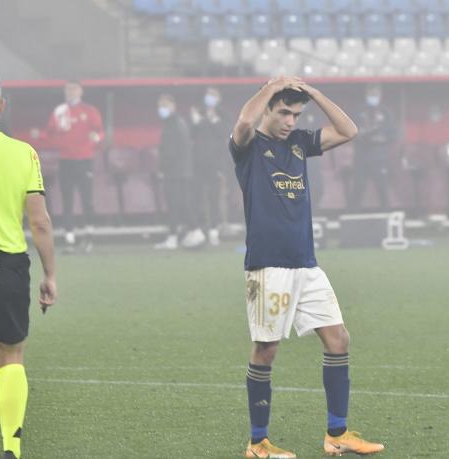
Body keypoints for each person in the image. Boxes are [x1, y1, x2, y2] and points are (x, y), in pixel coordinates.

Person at [230, 76, 384, 458]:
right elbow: (245, 123)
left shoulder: (299, 143)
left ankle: (337, 434)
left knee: (338, 339)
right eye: (283, 112)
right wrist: (272, 85)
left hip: (306, 263)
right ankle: (257, 442)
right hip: (269, 265)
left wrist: (313, 93)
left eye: (296, 114)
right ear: (268, 108)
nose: (290, 121)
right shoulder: (249, 147)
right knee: (266, 349)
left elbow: (349, 130)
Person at [0, 69, 57, 459]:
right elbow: (39, 221)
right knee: (10, 355)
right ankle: (11, 448)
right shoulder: (24, 152)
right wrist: (50, 275)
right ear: (1, 105)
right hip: (8, 262)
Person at [37, 81, 103, 252]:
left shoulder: (89, 111)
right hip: (66, 160)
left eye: (73, 89)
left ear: (81, 91)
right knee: (67, 200)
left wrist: (97, 137)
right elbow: (49, 132)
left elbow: (100, 131)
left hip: (84, 160)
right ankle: (69, 240)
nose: (70, 92)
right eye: (67, 89)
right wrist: (39, 135)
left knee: (87, 199)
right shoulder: (59, 111)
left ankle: (89, 237)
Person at [185, 87, 231, 248]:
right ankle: (199, 230)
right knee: (197, 198)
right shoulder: (199, 112)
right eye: (207, 95)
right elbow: (191, 135)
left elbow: (225, 132)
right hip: (198, 162)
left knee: (214, 198)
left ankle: (214, 232)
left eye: (213, 96)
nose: (209, 98)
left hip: (216, 163)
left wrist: (213, 119)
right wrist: (195, 121)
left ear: (218, 99)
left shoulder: (223, 114)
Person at [154, 94, 194, 250]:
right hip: (182, 171)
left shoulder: (172, 124)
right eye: (160, 106)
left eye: (164, 105)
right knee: (181, 203)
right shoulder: (179, 122)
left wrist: (162, 169)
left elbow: (169, 152)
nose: (161, 109)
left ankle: (176, 236)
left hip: (174, 172)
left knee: (174, 204)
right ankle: (192, 232)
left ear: (172, 106)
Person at [349, 84, 397, 210]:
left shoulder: (386, 113)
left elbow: (393, 135)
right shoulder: (358, 112)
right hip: (361, 158)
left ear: (380, 96)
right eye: (371, 95)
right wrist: (361, 135)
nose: (373, 97)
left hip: (379, 158)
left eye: (375, 95)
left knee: (382, 189)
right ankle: (352, 219)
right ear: (366, 95)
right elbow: (350, 132)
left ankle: (386, 216)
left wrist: (382, 139)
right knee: (358, 188)